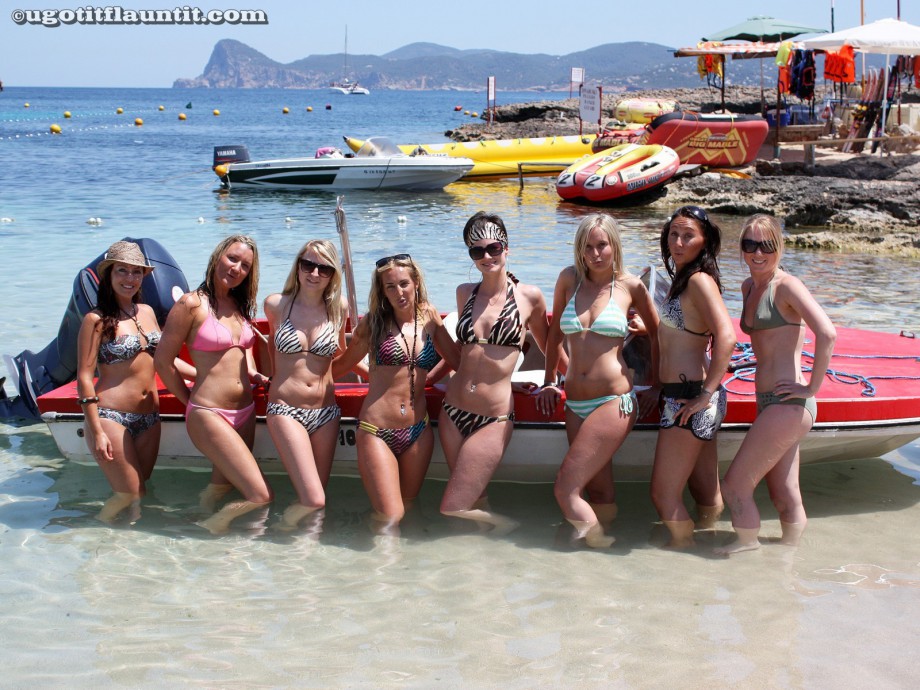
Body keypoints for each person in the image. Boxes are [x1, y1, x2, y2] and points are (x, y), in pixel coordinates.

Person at [536, 213, 659, 547]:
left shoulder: (631, 286)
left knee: (566, 487)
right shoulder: (568, 279)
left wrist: (657, 386)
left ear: (614, 245)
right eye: (588, 246)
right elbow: (553, 337)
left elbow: (658, 335)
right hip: (575, 402)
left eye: (602, 245)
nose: (595, 253)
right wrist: (550, 380)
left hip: (613, 400)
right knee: (598, 489)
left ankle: (597, 543)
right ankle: (601, 563)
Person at [716, 214, 836, 555]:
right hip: (768, 401)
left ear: (778, 247)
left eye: (765, 245)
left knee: (735, 486)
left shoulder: (787, 286)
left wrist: (811, 388)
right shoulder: (749, 286)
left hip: (788, 403)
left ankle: (746, 547)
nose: (757, 253)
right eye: (749, 244)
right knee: (784, 494)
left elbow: (827, 333)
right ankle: (787, 559)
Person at [438, 212, 559, 532]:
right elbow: (462, 352)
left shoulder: (529, 297)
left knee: (453, 507)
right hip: (452, 412)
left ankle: (509, 527)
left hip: (492, 419)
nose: (486, 256)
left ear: (507, 248)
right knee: (474, 500)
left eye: (493, 247)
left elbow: (550, 347)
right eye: (476, 251)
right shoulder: (465, 292)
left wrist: (552, 382)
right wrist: (421, 379)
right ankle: (486, 567)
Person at [155, 235, 273, 534]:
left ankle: (202, 521)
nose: (236, 268)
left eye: (245, 265)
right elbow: (162, 361)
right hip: (209, 412)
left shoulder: (239, 303)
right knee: (260, 496)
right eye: (232, 258)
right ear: (218, 256)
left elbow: (242, 348)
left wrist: (254, 373)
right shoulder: (191, 304)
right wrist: (189, 403)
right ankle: (210, 527)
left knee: (221, 488)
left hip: (245, 411)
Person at [333, 254, 460, 532]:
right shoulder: (373, 323)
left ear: (416, 282)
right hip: (376, 430)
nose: (398, 292)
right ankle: (379, 572)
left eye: (404, 283)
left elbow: (456, 358)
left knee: (409, 507)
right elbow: (342, 364)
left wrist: (430, 380)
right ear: (381, 291)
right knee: (391, 516)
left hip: (419, 431)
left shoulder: (428, 315)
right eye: (390, 286)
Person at [649, 206, 736, 548]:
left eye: (688, 236)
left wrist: (705, 395)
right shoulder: (684, 278)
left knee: (662, 495)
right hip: (689, 395)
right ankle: (709, 543)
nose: (679, 242)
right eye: (674, 234)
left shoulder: (699, 280)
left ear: (705, 241)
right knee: (705, 492)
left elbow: (727, 337)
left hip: (690, 398)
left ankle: (682, 554)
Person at [76, 241, 166, 522]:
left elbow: (165, 360)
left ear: (143, 276)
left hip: (150, 418)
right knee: (130, 494)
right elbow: (83, 377)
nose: (130, 279)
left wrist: (205, 375)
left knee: (141, 494)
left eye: (136, 272)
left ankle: (125, 556)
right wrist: (97, 431)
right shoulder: (96, 320)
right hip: (110, 418)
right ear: (109, 275)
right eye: (122, 271)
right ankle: (94, 537)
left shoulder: (148, 312)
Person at [263, 240, 348, 530]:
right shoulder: (277, 305)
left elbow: (341, 355)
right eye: (308, 264)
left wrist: (386, 370)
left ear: (333, 273)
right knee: (313, 500)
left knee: (316, 502)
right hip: (285, 409)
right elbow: (272, 351)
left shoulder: (339, 309)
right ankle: (279, 529)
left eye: (323, 268)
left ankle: (305, 565)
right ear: (298, 265)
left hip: (326, 413)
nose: (314, 273)